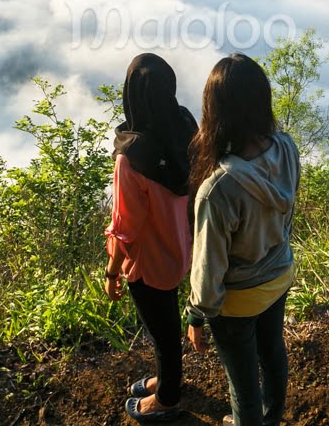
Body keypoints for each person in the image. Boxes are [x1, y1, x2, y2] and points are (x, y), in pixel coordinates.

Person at [185, 53, 301, 426]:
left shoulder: (218, 189)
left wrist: (197, 316)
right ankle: (273, 418)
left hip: (238, 301)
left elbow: (209, 266)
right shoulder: (286, 147)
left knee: (243, 386)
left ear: (214, 111)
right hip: (279, 275)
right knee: (273, 353)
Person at [105, 53, 197, 424]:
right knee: (167, 325)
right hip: (186, 246)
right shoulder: (187, 125)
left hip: (150, 260)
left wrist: (112, 270)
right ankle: (168, 377)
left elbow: (125, 225)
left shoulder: (131, 157)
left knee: (161, 331)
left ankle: (168, 397)